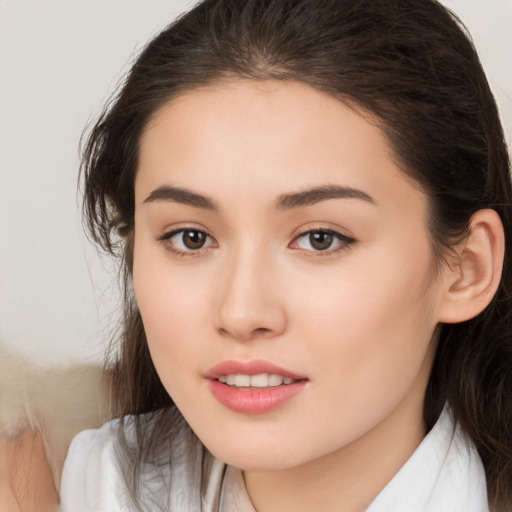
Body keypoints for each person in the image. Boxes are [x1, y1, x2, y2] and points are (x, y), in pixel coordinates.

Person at [2, 0, 512, 510]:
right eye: (190, 237)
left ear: (467, 269)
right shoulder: (56, 488)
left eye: (320, 238)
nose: (242, 313)